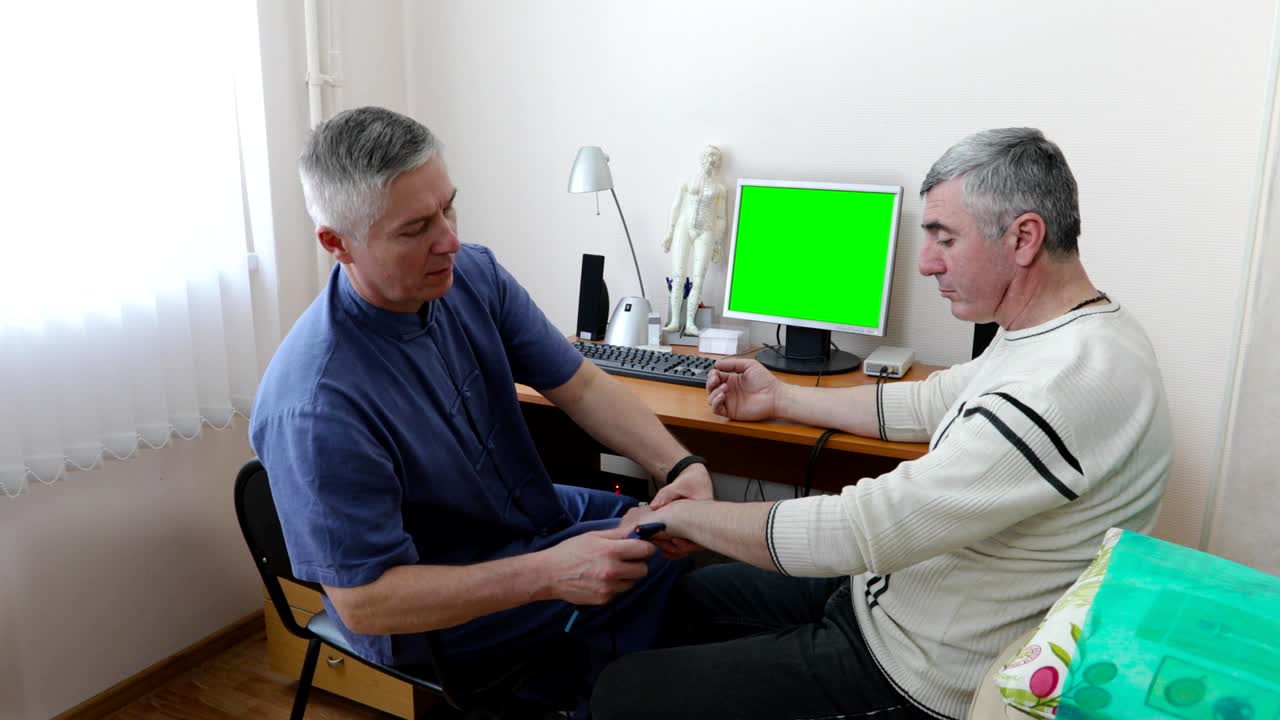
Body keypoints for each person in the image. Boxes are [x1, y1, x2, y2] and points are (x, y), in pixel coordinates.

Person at [592, 128, 1172, 720]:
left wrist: (691, 515)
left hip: (915, 673)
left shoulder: (1064, 384)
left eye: (945, 239)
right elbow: (927, 403)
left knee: (621, 694)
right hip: (881, 598)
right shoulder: (1056, 332)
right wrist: (781, 399)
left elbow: (864, 527)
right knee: (680, 597)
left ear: (1024, 237)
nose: (925, 263)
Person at [248, 107, 712, 713]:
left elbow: (582, 386)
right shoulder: (316, 405)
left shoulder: (471, 276)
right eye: (415, 229)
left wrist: (679, 468)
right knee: (644, 569)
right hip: (423, 604)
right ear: (338, 244)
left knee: (661, 527)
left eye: (449, 206)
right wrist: (550, 573)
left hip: (518, 521)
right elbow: (367, 602)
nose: (450, 239)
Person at [661, 144, 727, 336]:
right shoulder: (687, 182)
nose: (710, 162)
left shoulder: (720, 189)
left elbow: (722, 218)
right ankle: (675, 321)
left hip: (706, 230)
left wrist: (718, 244)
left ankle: (690, 323)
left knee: (699, 278)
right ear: (701, 159)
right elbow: (675, 206)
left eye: (714, 159)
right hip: (684, 226)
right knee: (678, 275)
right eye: (707, 157)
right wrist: (669, 233)